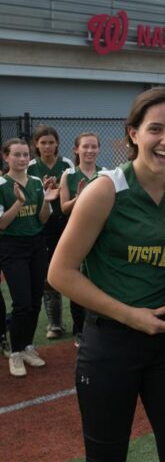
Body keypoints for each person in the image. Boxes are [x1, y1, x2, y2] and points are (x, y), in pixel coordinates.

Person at [48, 87, 165, 462]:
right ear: (133, 133)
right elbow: (60, 273)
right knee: (105, 456)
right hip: (110, 344)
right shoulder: (104, 191)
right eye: (156, 129)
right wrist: (130, 314)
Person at [0, 139, 58, 377]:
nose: (22, 159)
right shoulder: (2, 184)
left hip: (36, 245)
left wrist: (46, 199)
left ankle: (27, 347)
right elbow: (2, 223)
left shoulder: (35, 182)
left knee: (35, 300)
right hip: (12, 246)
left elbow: (42, 219)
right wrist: (19, 202)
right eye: (16, 155)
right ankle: (14, 353)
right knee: (22, 302)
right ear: (6, 157)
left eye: (25, 155)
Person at [28, 126, 74, 339]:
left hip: (66, 222)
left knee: (73, 270)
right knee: (48, 274)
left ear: (57, 143)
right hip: (41, 224)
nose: (47, 146)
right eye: (43, 142)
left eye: (51, 142)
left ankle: (81, 324)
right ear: (36, 144)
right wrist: (44, 192)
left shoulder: (66, 165)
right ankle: (55, 323)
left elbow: (72, 192)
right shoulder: (30, 167)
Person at [59, 132, 102, 348]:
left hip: (101, 236)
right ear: (76, 150)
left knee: (98, 281)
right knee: (76, 282)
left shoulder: (106, 174)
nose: (90, 151)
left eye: (94, 147)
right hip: (77, 236)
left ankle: (99, 324)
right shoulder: (69, 175)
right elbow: (64, 208)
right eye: (85, 147)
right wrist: (80, 197)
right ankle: (79, 329)